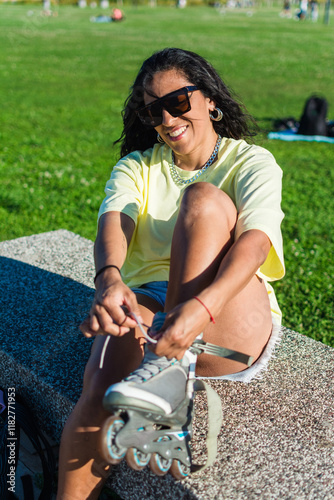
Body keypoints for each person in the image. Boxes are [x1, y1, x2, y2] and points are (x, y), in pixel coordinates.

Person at [56, 47, 285, 499]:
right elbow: (115, 219)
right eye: (153, 108)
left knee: (202, 199)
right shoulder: (138, 166)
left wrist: (199, 308)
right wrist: (109, 280)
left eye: (178, 101)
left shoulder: (250, 162)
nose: (166, 117)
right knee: (102, 378)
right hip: (154, 307)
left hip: (225, 311)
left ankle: (169, 371)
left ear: (210, 100)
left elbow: (256, 244)